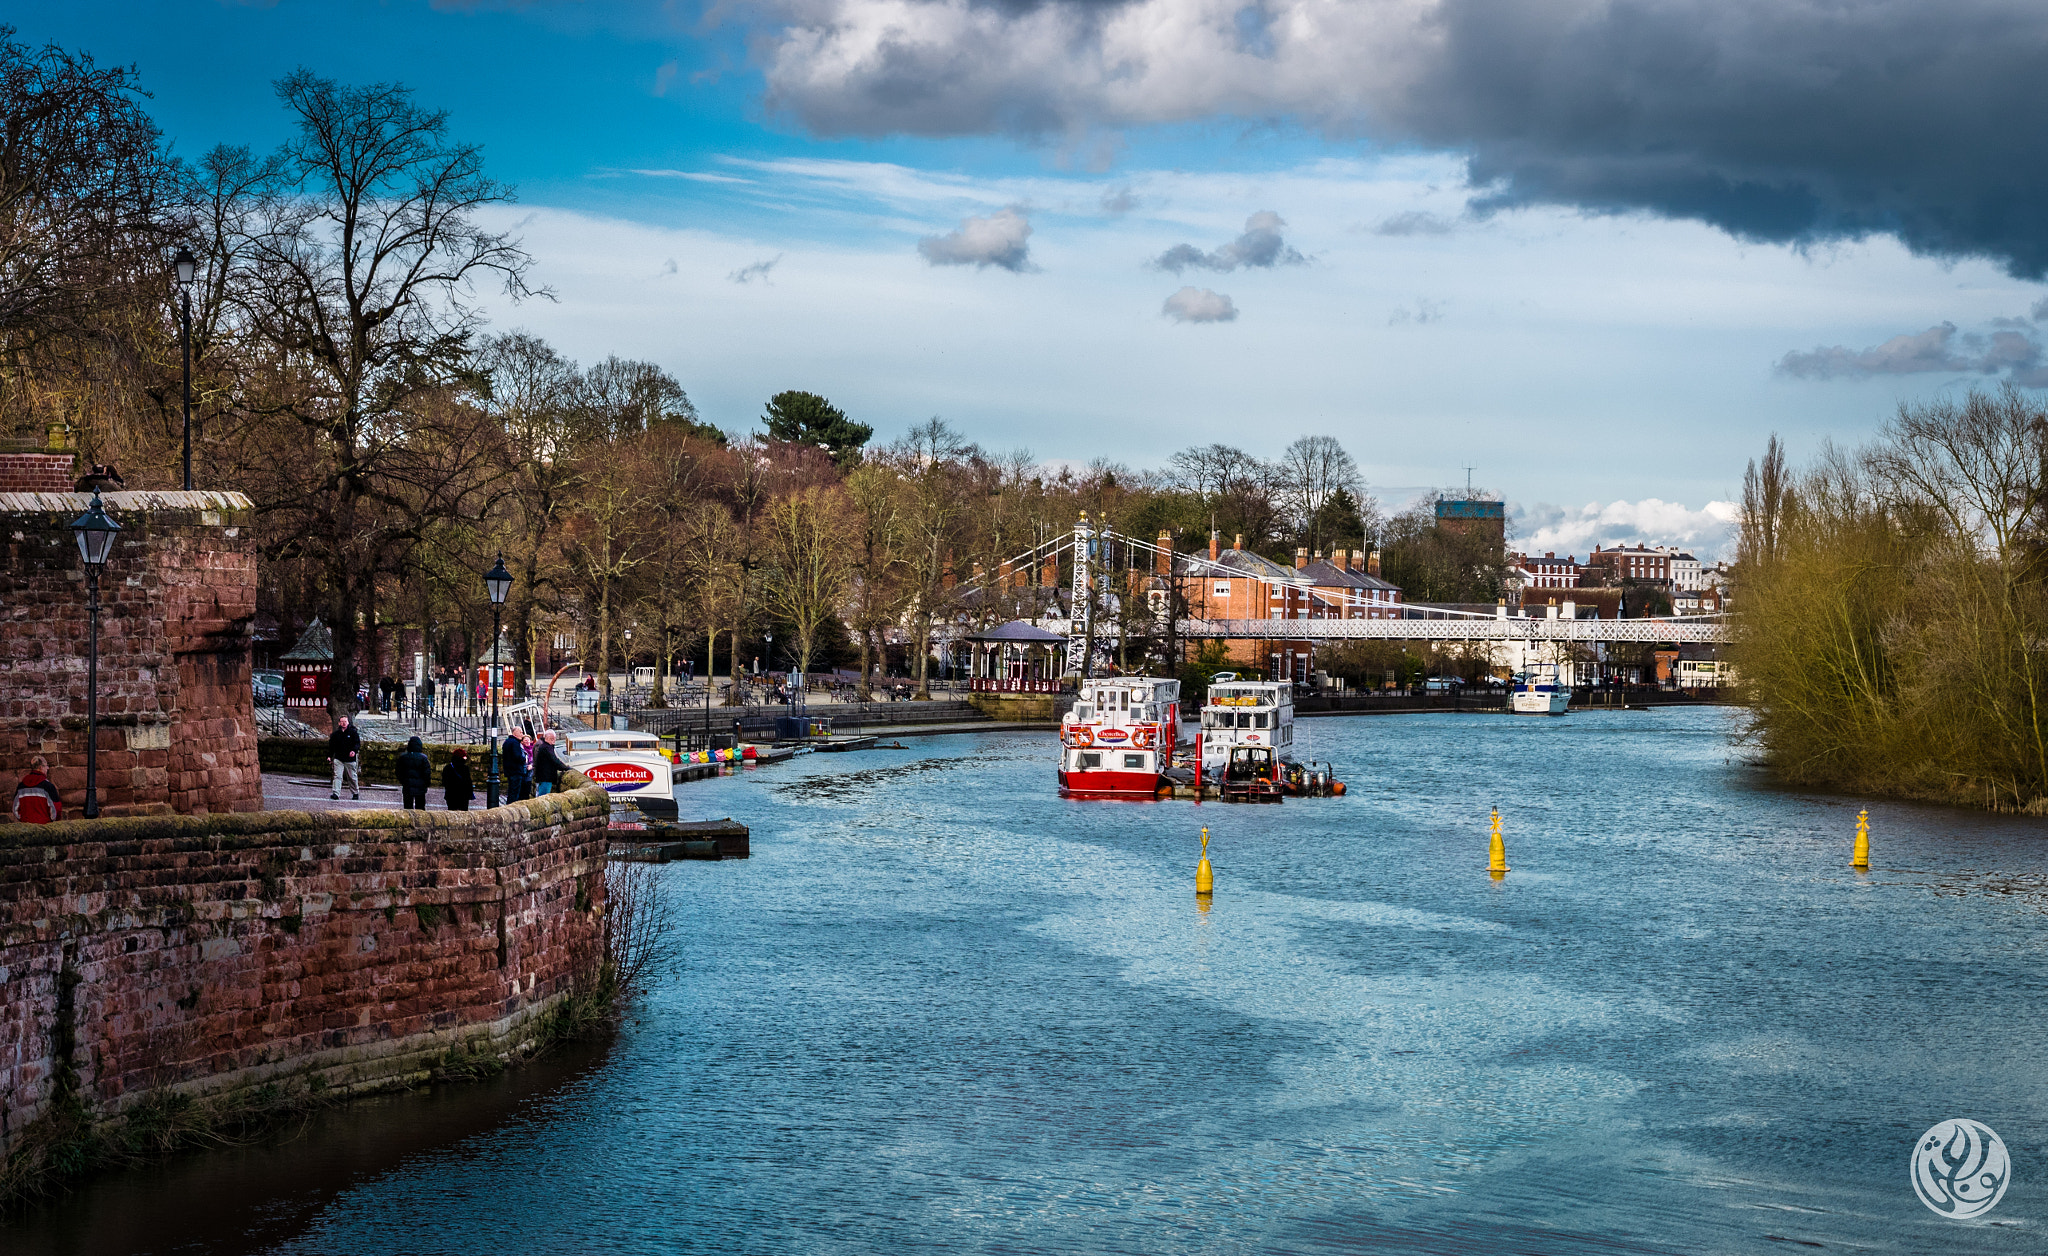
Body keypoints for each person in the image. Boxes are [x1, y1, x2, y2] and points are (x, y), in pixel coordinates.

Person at [12, 756, 62, 824]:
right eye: (46, 766)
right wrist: (50, 822)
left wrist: (24, 819)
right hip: (44, 827)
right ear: (41, 767)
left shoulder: (21, 786)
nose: (48, 768)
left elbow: (15, 808)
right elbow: (56, 809)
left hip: (26, 827)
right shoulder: (48, 786)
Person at [328, 715, 362, 800]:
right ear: (339, 723)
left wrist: (354, 751)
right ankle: (336, 793)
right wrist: (329, 756)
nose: (343, 723)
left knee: (352, 777)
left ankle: (355, 792)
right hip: (338, 758)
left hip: (350, 759)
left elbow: (357, 744)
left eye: (345, 721)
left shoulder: (353, 733)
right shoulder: (335, 734)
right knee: (337, 776)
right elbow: (331, 746)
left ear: (348, 722)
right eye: (342, 722)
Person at [396, 736, 432, 810]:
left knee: (408, 809)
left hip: (407, 785)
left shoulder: (403, 757)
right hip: (420, 787)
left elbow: (399, 771)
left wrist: (403, 781)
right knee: (420, 808)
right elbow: (427, 773)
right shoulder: (423, 758)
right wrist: (426, 784)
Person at [532, 730, 565, 797]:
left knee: (539, 795)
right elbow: (554, 760)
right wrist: (566, 768)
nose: (554, 740)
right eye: (553, 738)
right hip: (545, 777)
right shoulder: (546, 748)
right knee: (543, 798)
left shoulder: (543, 746)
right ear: (549, 738)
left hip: (542, 776)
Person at [502, 729, 532, 801]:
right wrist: (524, 759)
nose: (522, 734)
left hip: (509, 770)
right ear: (515, 734)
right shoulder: (515, 743)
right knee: (514, 793)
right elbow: (517, 756)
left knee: (511, 791)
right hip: (516, 771)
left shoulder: (507, 741)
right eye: (520, 732)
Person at [442, 747, 474, 811]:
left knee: (452, 813)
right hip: (463, 796)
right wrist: (470, 794)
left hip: (451, 795)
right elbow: (468, 782)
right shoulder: (465, 768)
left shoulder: (448, 768)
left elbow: (444, 782)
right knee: (463, 814)